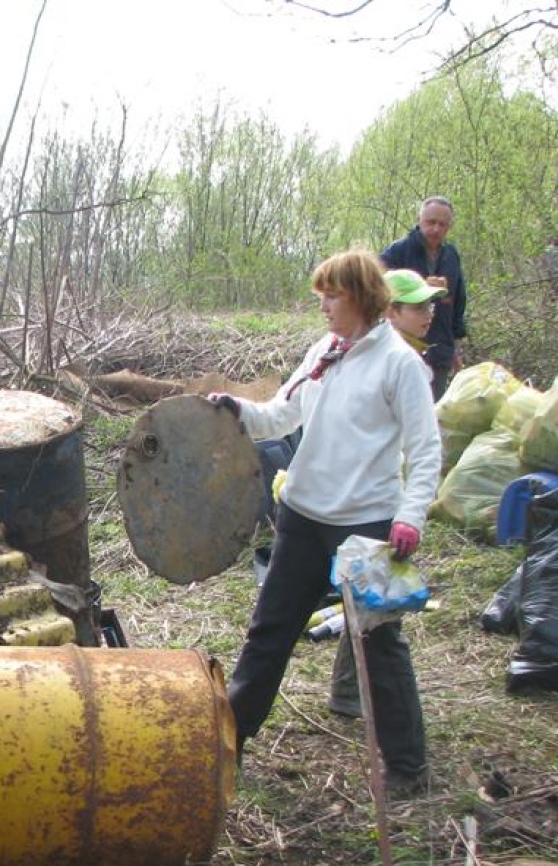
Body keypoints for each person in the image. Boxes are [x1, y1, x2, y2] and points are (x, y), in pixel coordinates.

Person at [207, 249, 441, 798]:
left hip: (366, 526)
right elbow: (281, 415)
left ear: (360, 297)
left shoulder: (399, 364)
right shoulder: (324, 352)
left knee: (379, 645)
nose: (324, 308)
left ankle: (408, 768)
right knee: (270, 634)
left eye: (331, 297)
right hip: (303, 519)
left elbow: (426, 449)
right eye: (321, 297)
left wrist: (410, 517)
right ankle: (229, 744)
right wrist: (237, 409)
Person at [326, 267, 448, 718]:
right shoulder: (368, 358)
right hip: (354, 500)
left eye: (430, 307)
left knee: (367, 601)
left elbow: (421, 445)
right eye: (418, 307)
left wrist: (410, 510)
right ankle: (359, 698)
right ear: (388, 310)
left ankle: (347, 691)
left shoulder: (409, 359)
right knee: (374, 609)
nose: (428, 315)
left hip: (380, 497)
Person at [381, 196, 467, 401]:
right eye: (431, 222)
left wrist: (455, 347)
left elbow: (458, 302)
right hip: (399, 349)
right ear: (419, 219)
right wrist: (421, 287)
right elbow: (373, 291)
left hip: (440, 351)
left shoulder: (451, 256)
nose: (436, 229)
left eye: (442, 224)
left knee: (431, 414)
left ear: (449, 227)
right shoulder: (397, 252)